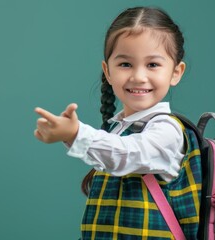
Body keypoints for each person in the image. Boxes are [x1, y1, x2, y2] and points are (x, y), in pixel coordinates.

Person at [34, 6, 202, 239]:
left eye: (153, 64)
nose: (138, 76)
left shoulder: (167, 131)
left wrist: (75, 134)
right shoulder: (119, 130)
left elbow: (128, 153)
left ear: (176, 72)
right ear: (108, 71)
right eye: (125, 64)